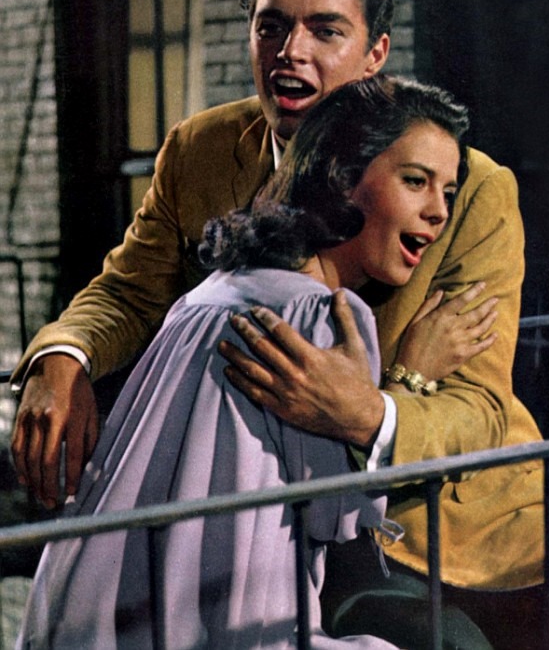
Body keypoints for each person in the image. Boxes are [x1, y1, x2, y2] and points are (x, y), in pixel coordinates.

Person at [9, 0, 549, 649]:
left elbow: (480, 405)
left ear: (375, 56)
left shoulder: (469, 186)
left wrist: (375, 411)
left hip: (471, 496)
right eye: (271, 26)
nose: (290, 52)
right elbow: (129, 290)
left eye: (325, 30)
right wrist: (63, 356)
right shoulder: (202, 149)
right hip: (314, 517)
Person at [17, 74, 474, 649]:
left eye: (448, 192)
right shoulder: (324, 316)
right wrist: (410, 379)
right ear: (343, 179)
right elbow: (339, 517)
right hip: (228, 626)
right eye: (415, 181)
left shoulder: (211, 291)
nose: (438, 212)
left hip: (93, 614)